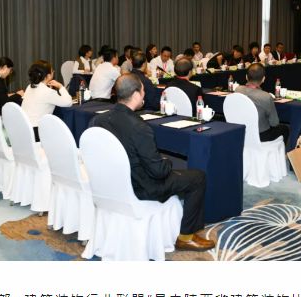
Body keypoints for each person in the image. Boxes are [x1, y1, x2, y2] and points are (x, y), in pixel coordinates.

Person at [91, 74, 215, 252]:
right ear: (135, 94)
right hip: (141, 186)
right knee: (198, 177)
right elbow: (158, 172)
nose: (144, 94)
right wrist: (167, 161)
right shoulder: (139, 127)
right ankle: (186, 237)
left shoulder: (98, 120)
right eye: (143, 91)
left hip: (111, 181)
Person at [235, 63, 289, 145]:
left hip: (241, 131)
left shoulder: (238, 90)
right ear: (263, 79)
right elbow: (274, 123)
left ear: (246, 77)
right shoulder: (266, 96)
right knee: (285, 129)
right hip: (261, 135)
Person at [21, 60, 72, 141]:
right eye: (52, 71)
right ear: (48, 76)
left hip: (24, 128)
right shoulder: (47, 91)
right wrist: (60, 86)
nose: (53, 72)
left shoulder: (29, 86)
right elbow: (68, 102)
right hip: (37, 131)